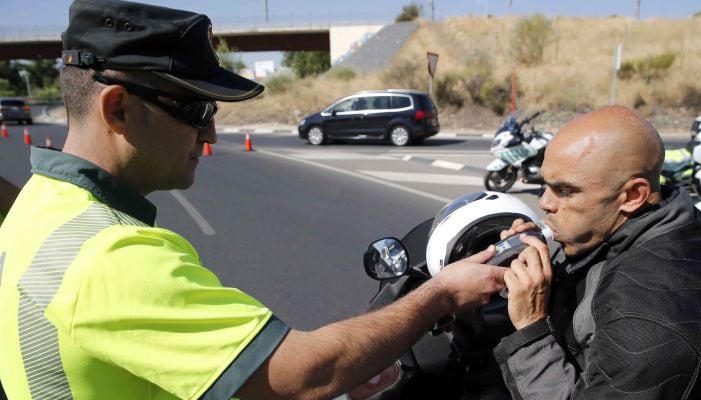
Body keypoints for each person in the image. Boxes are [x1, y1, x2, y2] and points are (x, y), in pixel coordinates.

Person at [0, 1, 509, 399]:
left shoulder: (40, 204)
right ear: (119, 109)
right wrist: (441, 293)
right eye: (196, 107)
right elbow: (308, 373)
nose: (211, 133)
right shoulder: (111, 256)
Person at [494, 106, 701, 399]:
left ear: (633, 195)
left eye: (565, 191)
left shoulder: (650, 316)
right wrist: (544, 267)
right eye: (545, 185)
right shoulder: (673, 218)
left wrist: (531, 328)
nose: (544, 203)